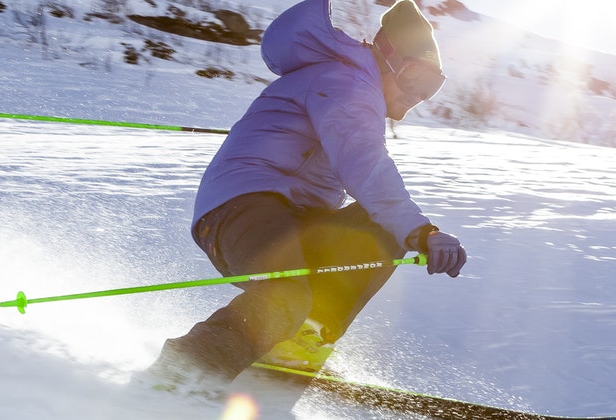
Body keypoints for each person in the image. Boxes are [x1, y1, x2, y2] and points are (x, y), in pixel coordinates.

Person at [138, 0, 468, 396]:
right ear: (389, 58)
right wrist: (421, 231)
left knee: (377, 228)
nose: (417, 97)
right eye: (415, 79)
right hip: (240, 209)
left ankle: (297, 344)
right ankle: (182, 374)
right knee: (287, 291)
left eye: (431, 88)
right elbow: (364, 164)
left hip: (291, 217)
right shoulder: (349, 82)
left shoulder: (353, 87)